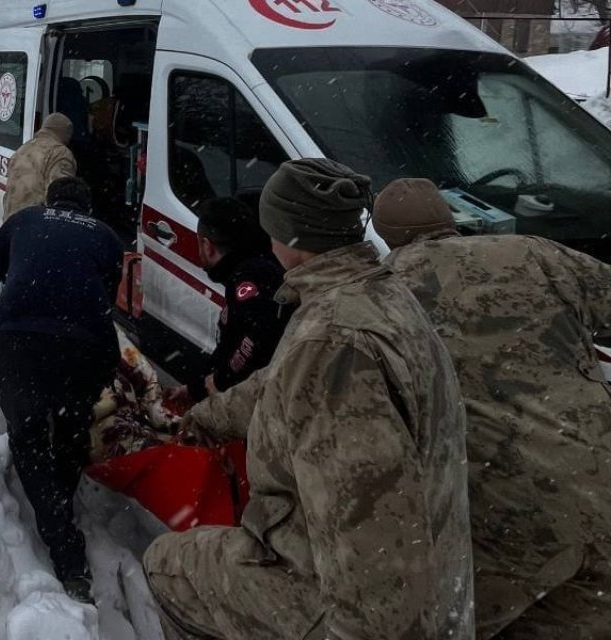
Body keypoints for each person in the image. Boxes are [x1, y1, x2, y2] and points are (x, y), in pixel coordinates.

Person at [142, 159, 474, 639]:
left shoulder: (334, 345)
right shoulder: (373, 292)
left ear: (284, 235)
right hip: (433, 566)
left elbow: (371, 538)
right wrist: (207, 416)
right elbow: (275, 384)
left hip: (360, 602)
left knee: (168, 565)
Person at [372, 178, 611, 639]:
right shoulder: (534, 253)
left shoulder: (384, 296)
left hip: (510, 515)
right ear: (450, 218)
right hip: (598, 468)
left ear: (383, 233)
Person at [0, 177, 122, 604]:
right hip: (83, 349)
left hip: (19, 344)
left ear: (50, 202)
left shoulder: (23, 220)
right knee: (70, 431)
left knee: (28, 437)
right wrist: (105, 369)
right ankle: (59, 506)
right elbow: (106, 302)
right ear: (85, 208)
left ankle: (62, 542)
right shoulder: (105, 237)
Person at [180, 197, 291, 402]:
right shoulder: (260, 263)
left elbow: (257, 339)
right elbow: (231, 342)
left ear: (207, 246)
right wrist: (197, 387)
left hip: (266, 402)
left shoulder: (250, 278)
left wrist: (220, 381)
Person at [1, 113, 77, 220]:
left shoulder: (24, 148)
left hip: (12, 221)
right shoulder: (60, 153)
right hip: (36, 223)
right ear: (65, 132)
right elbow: (61, 197)